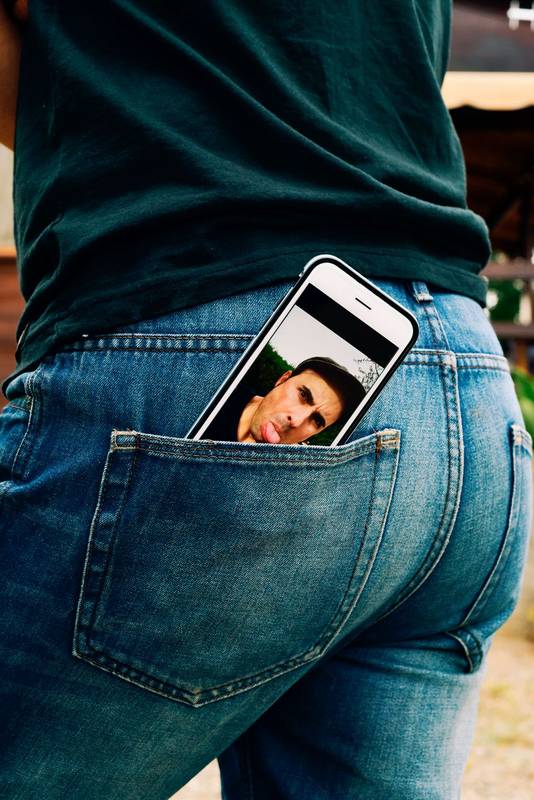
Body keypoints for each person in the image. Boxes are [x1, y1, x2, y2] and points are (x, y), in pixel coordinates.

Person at [0, 2, 532, 799]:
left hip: (199, 280)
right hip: (467, 387)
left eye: (315, 416)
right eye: (308, 402)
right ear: (283, 379)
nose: (298, 422)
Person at [201, 356, 366, 444]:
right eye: (303, 395)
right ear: (282, 379)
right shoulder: (212, 394)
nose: (296, 421)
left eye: (317, 420)